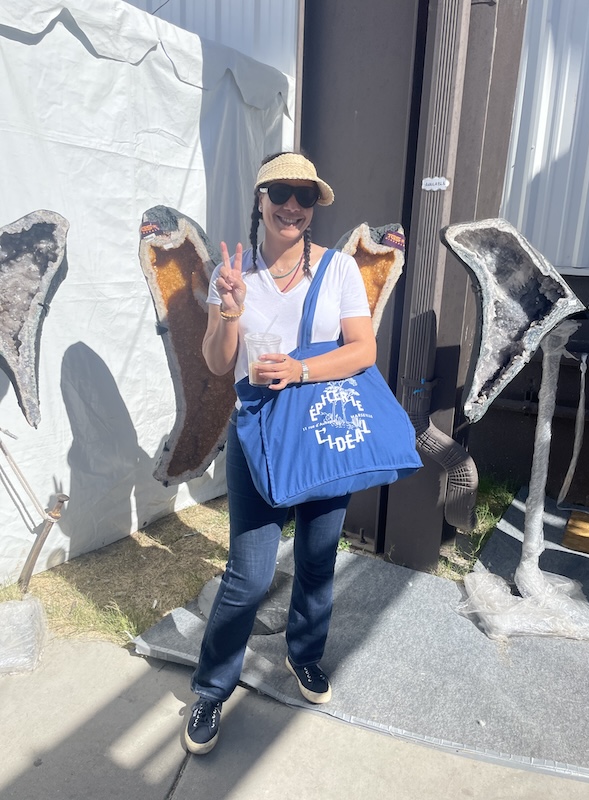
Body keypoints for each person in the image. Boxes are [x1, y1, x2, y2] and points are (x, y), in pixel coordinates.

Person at [185, 151, 376, 755]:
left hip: (320, 427)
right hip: (259, 433)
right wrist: (230, 307)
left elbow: (363, 350)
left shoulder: (341, 269)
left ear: (314, 207)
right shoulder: (235, 274)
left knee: (319, 560)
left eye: (305, 195)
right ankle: (212, 688)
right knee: (250, 574)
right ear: (260, 200)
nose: (293, 204)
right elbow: (219, 365)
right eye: (281, 192)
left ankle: (305, 656)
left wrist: (299, 370)